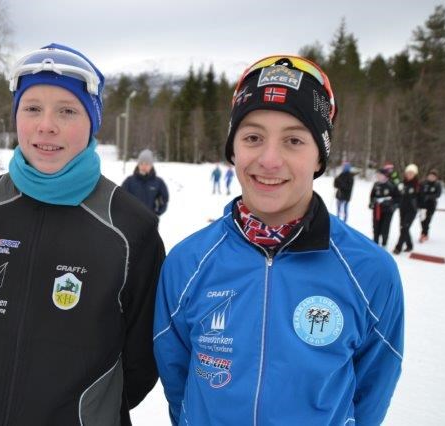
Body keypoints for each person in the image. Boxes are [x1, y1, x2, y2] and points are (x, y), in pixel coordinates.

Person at [153, 55, 404, 425]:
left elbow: (372, 390)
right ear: (233, 149)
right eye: (253, 137)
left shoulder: (370, 272)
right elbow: (177, 381)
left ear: (320, 156)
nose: (270, 160)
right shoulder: (186, 262)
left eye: (293, 140)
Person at [0, 43, 165, 426]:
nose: (46, 125)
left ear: (92, 121)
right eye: (32, 108)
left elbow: (141, 365)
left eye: (67, 110)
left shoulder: (131, 229)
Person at [121, 148, 169, 216]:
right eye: (141, 164)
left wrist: (156, 214)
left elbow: (164, 200)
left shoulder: (158, 182)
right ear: (138, 165)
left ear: (151, 165)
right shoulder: (129, 181)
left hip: (150, 220)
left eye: (147, 164)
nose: (144, 166)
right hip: (131, 220)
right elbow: (122, 198)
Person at [370, 168, 401, 247]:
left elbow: (398, 198)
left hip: (388, 211)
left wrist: (389, 203)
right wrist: (372, 203)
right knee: (376, 227)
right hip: (377, 210)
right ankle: (375, 244)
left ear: (385, 176)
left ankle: (384, 244)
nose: (378, 176)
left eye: (380, 175)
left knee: (385, 227)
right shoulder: (376, 184)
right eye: (377, 175)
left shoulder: (392, 185)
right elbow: (372, 195)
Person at [393, 163, 420, 254]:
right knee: (403, 228)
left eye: (411, 173)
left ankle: (398, 247)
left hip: (412, 209)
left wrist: (423, 208)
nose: (409, 175)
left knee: (405, 227)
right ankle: (409, 245)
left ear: (415, 174)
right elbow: (397, 192)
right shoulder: (403, 183)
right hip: (402, 208)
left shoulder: (417, 185)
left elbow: (420, 197)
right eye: (408, 173)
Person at [418, 169, 442, 242]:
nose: (431, 177)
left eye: (433, 176)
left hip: (431, 205)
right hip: (423, 205)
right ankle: (424, 232)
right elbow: (419, 192)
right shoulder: (423, 183)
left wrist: (429, 197)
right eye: (430, 176)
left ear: (436, 178)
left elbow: (438, 194)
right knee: (422, 220)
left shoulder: (437, 184)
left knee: (427, 220)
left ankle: (424, 234)